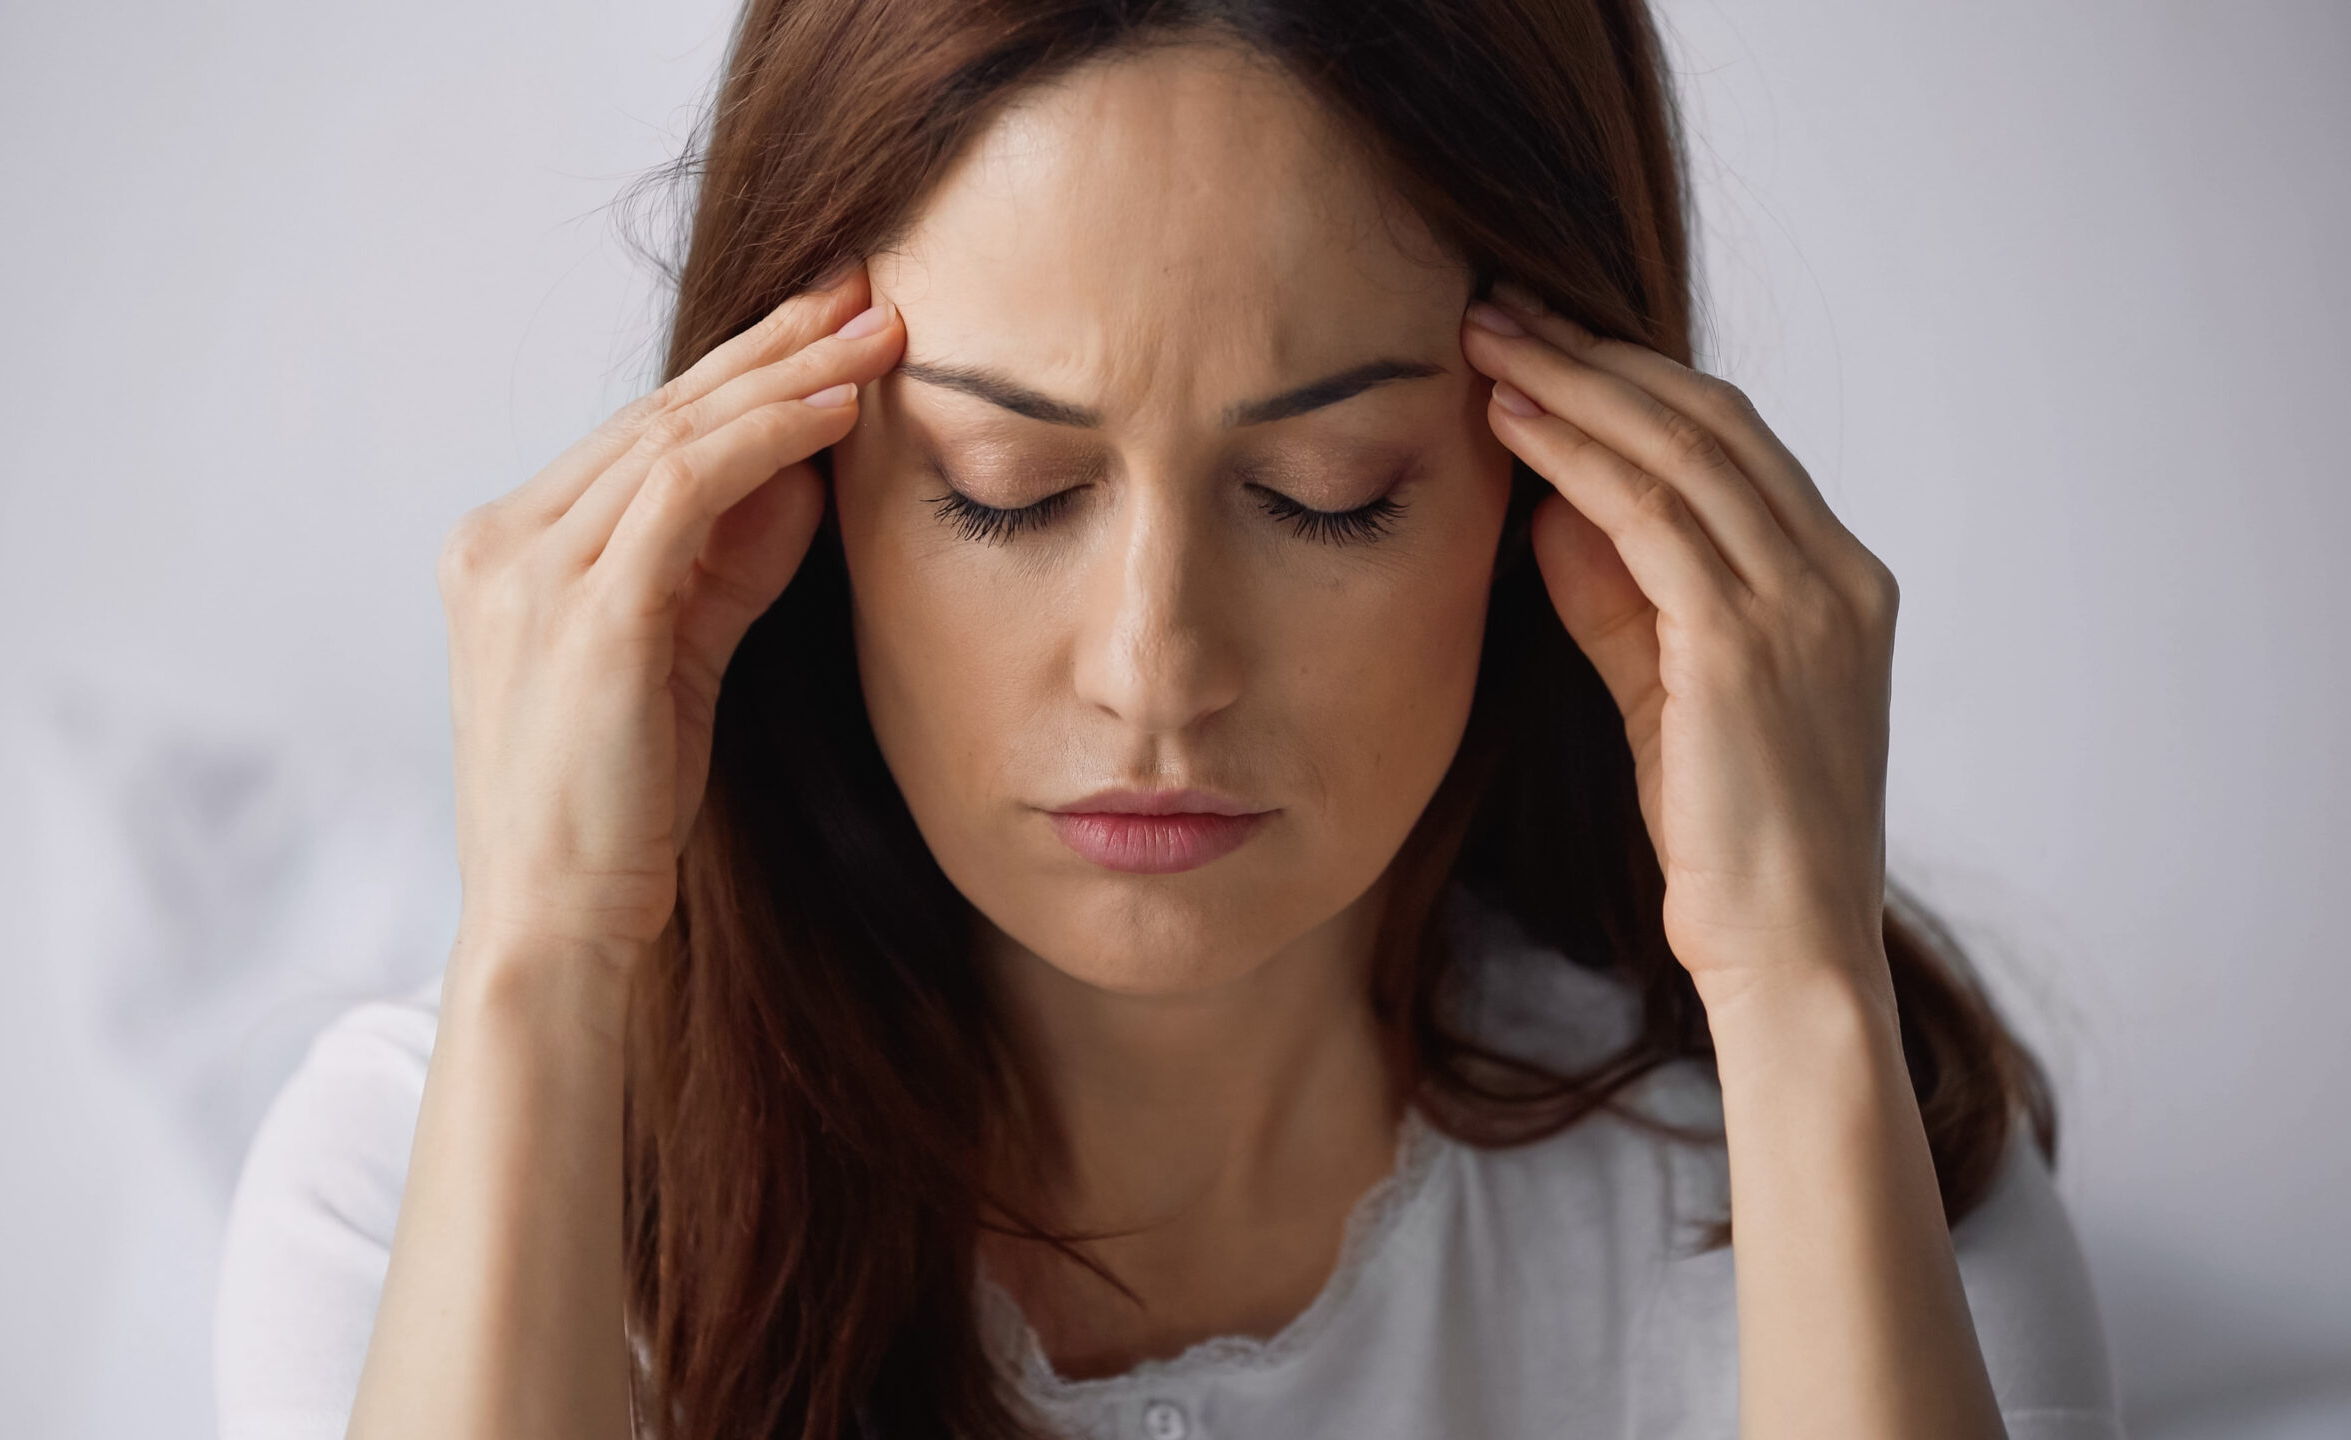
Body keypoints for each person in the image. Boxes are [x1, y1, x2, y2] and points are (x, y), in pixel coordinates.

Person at [213, 1, 2124, 1436]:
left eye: (1328, 489)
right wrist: (545, 947)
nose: (1154, 666)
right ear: (781, 489)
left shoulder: (1841, 1172)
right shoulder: (423, 1181)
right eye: (1005, 486)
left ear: (1567, 493)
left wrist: (1799, 991)